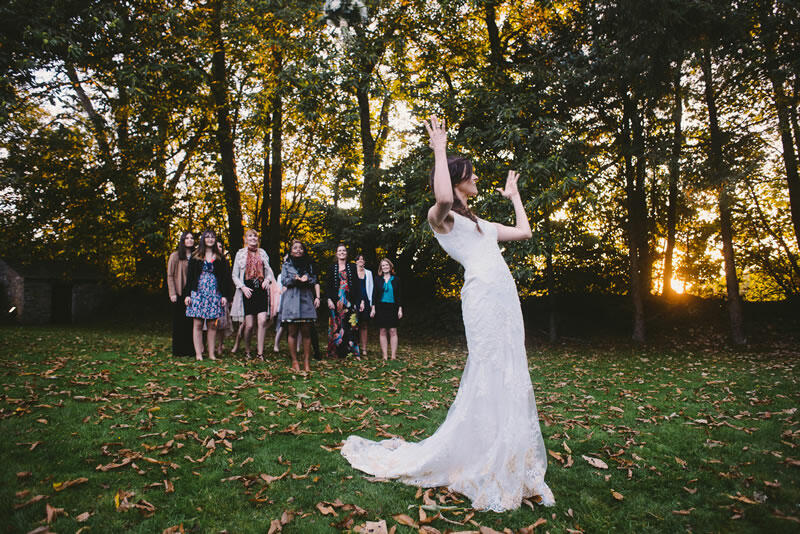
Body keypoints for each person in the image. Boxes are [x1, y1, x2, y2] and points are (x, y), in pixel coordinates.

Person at [341, 116, 555, 511]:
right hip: (481, 300)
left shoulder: (483, 224)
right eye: (471, 175)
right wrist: (439, 149)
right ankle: (480, 455)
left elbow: (525, 232)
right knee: (487, 369)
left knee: (511, 368)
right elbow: (440, 198)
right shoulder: (443, 218)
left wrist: (514, 197)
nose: (477, 179)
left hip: (506, 299)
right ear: (458, 180)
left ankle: (507, 453)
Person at [184, 229, 233, 361]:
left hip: (214, 293)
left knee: (212, 325)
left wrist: (224, 296)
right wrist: (188, 295)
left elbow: (224, 278)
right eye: (207, 237)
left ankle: (211, 354)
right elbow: (190, 278)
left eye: (212, 237)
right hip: (198, 292)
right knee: (198, 324)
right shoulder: (195, 256)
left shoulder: (220, 258)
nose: (210, 239)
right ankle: (199, 354)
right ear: (203, 239)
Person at [231, 229, 275, 360]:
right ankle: (247, 350)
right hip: (247, 290)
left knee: (262, 321)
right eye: (250, 236)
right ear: (246, 239)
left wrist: (267, 280)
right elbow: (234, 275)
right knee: (249, 325)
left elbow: (269, 272)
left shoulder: (263, 253)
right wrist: (243, 287)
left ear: (257, 239)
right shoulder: (240, 254)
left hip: (261, 289)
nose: (253, 238)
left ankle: (260, 353)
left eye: (255, 236)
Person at [279, 239, 320, 372]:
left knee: (307, 332)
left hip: (306, 299)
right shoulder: (286, 264)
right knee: (292, 332)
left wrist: (308, 278)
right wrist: (294, 279)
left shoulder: (309, 264)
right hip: (291, 300)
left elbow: (315, 279)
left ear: (304, 251)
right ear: (291, 251)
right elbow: (284, 280)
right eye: (295, 248)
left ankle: (307, 362)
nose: (298, 250)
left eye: (300, 248)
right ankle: (295, 361)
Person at [326, 244, 363, 359]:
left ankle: (353, 352)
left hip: (350, 301)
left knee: (351, 325)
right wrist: (328, 299)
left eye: (344, 251)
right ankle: (336, 352)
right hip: (336, 301)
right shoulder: (332, 268)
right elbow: (328, 286)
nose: (342, 252)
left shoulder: (352, 267)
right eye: (339, 251)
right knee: (337, 326)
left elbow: (357, 285)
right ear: (336, 254)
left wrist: (360, 301)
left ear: (346, 253)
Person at [167, 231, 195, 357]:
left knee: (191, 322)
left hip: (193, 293)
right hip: (179, 292)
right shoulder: (175, 255)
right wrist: (172, 293)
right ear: (183, 240)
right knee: (179, 322)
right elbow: (170, 275)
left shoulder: (196, 256)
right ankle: (179, 350)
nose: (189, 240)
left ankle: (191, 350)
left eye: (192, 238)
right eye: (187, 238)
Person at [370, 258, 402, 360]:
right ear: (381, 268)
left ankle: (393, 356)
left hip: (393, 307)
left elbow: (399, 295)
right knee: (382, 330)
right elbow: (374, 294)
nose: (385, 267)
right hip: (380, 307)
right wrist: (373, 308)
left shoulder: (396, 279)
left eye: (386, 265)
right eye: (383, 265)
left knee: (393, 330)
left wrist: (400, 309)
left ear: (390, 266)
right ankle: (385, 355)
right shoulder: (377, 279)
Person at [355, 254, 373, 358]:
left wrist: (371, 304)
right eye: (359, 259)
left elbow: (371, 287)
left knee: (364, 324)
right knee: (354, 325)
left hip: (366, 300)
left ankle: (364, 348)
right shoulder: (352, 272)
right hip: (355, 301)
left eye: (362, 259)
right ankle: (355, 347)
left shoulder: (369, 273)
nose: (361, 261)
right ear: (356, 261)